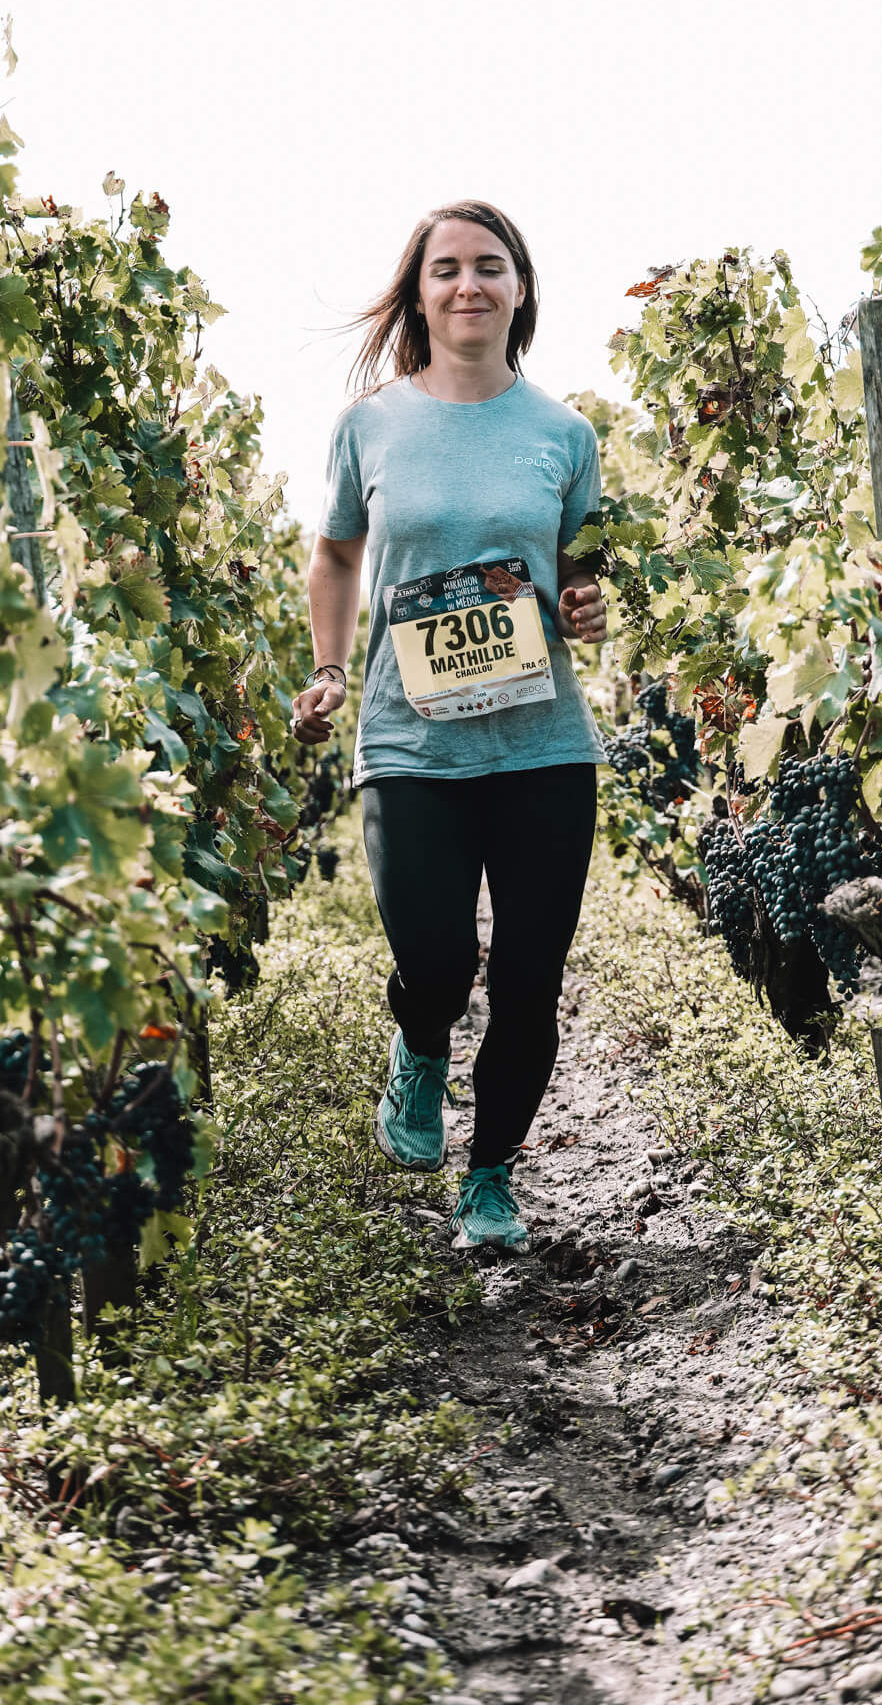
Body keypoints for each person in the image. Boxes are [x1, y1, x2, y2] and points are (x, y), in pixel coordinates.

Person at [291, 200, 608, 1254]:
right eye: (446, 269)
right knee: (434, 956)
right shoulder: (371, 423)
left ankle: (490, 1180)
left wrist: (588, 604)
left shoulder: (566, 435)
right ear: (419, 292)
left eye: (489, 266)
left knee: (529, 975)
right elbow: (337, 554)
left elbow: (585, 575)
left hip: (544, 746)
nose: (468, 284)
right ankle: (421, 1044)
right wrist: (332, 667)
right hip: (410, 743)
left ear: (521, 288)